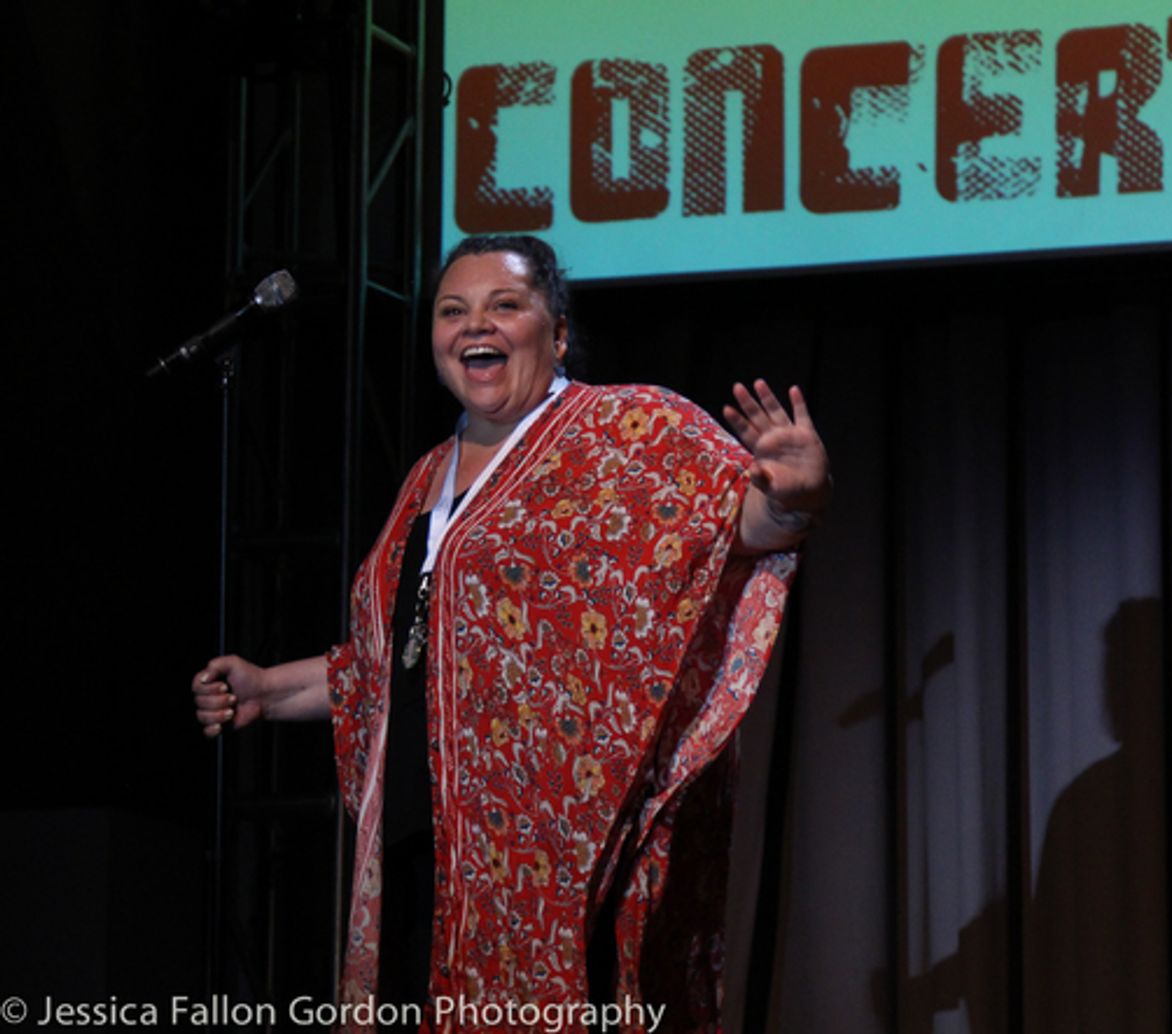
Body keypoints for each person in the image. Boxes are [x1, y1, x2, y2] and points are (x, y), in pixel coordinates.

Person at [191, 235, 831, 1033]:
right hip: (421, 852)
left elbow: (738, 529)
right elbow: (396, 666)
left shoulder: (626, 432)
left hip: (560, 854)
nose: (473, 326)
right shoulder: (425, 478)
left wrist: (795, 499)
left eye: (503, 305)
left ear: (557, 333)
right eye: (452, 310)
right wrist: (268, 688)